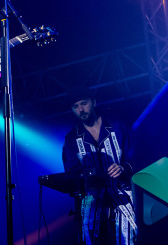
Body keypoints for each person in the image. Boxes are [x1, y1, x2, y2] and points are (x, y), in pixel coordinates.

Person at [62, 87, 137, 245]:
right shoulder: (71, 139)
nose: (81, 109)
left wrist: (124, 168)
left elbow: (136, 157)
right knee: (90, 237)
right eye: (75, 106)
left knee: (128, 238)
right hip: (92, 197)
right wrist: (86, 178)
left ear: (94, 102)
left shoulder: (117, 126)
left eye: (84, 103)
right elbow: (71, 173)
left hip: (123, 192)